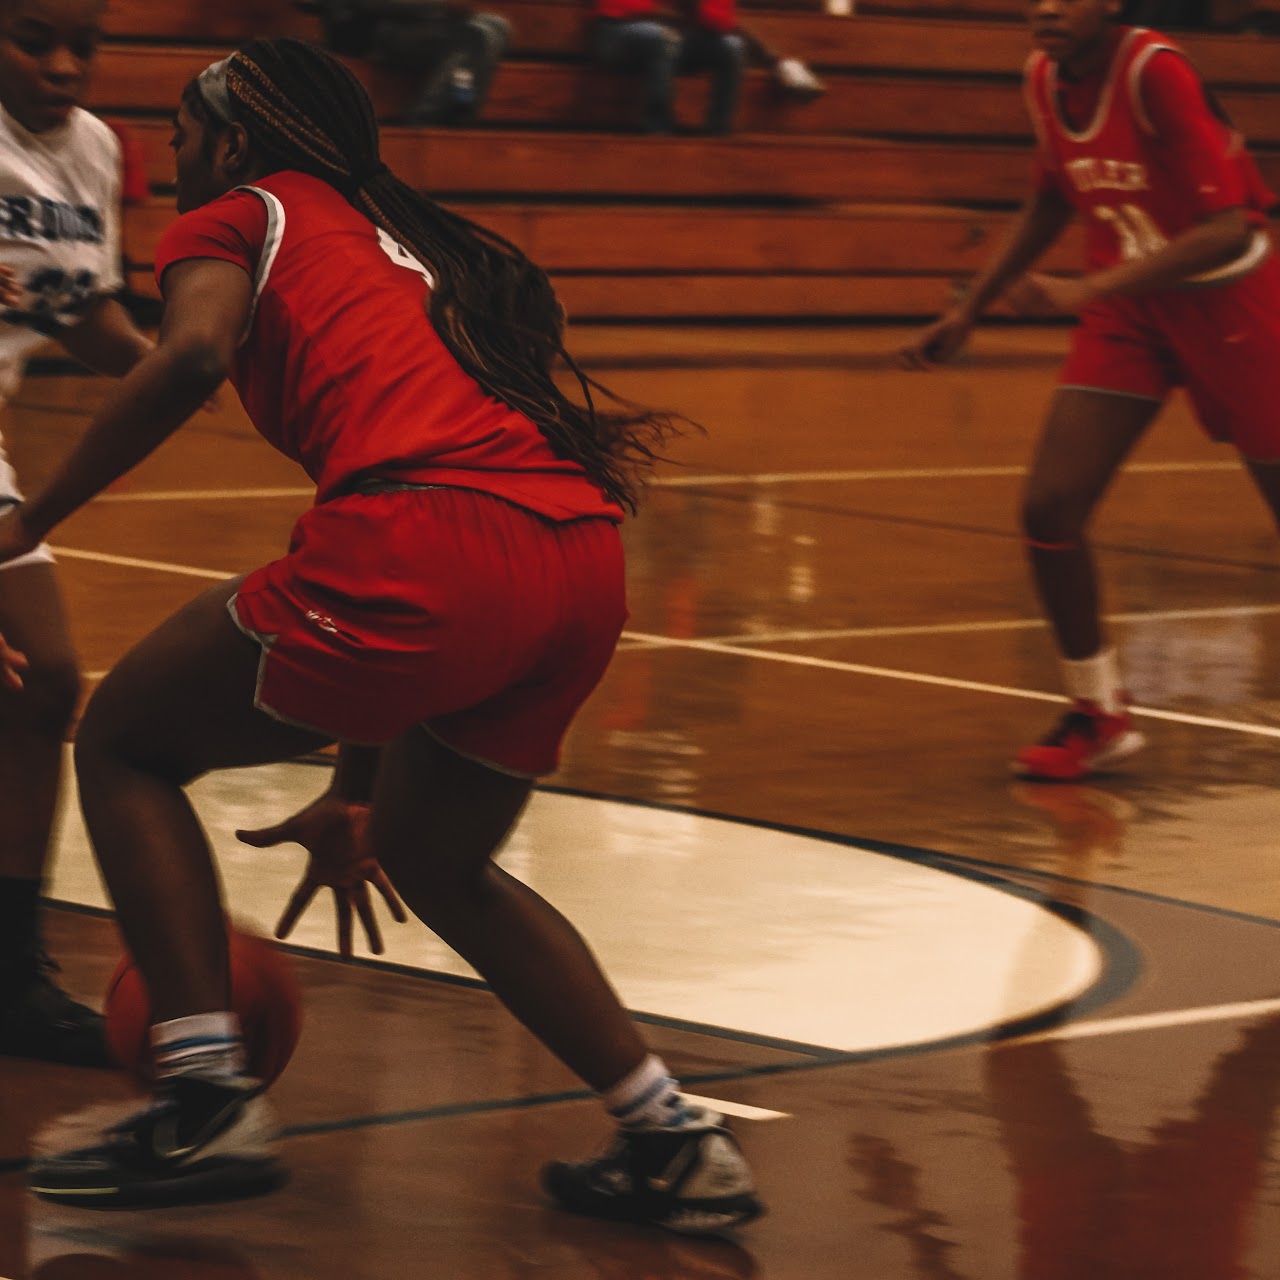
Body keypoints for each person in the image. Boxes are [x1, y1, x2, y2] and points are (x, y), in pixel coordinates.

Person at [8, 37, 763, 1233]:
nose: (173, 148)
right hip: (573, 559)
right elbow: (435, 534)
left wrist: (29, 519)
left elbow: (190, 355)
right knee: (441, 858)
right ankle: (671, 1132)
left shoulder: (239, 213)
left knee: (124, 744)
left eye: (186, 128)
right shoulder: (406, 239)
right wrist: (357, 781)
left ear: (237, 143)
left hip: (427, 538)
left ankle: (203, 1091)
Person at [899, 0, 1279, 781]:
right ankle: (1097, 709)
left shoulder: (1154, 71)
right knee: (1050, 507)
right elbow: (1050, 196)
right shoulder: (1043, 76)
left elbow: (1228, 227)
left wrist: (1085, 287)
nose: (1044, 8)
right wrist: (969, 308)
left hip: (1236, 299)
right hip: (1133, 311)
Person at [0, 0, 156, 1067]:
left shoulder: (95, 148)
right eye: (32, 38)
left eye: (82, 44)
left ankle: (11, 971)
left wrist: (184, 366)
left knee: (43, 678)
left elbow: (76, 309)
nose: (62, 64)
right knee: (41, 670)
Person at [307, 0, 511, 125]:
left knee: (495, 26)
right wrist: (442, 4)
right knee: (473, 36)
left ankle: (459, 103)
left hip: (424, 22)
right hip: (370, 28)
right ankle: (430, 117)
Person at [590, 0, 747, 135]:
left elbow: (722, 21)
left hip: (674, 34)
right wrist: (669, 12)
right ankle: (658, 130)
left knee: (732, 47)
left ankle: (718, 132)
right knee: (661, 37)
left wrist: (697, 8)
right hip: (616, 30)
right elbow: (624, 6)